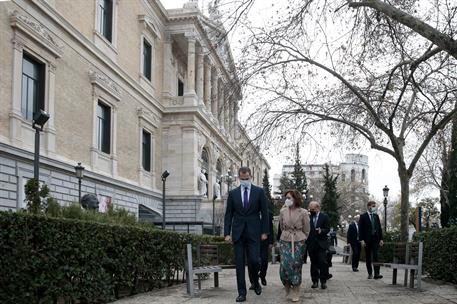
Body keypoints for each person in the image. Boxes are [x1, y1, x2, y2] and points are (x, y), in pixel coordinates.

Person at [224, 167, 269, 303]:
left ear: (251, 177)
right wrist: (227, 233)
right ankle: (241, 293)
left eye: (247, 178)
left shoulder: (259, 192)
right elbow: (228, 215)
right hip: (238, 233)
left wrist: (265, 231)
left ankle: (255, 282)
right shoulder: (233, 194)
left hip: (254, 233)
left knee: (254, 261)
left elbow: (265, 213)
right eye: (242, 179)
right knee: (239, 264)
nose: (244, 181)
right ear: (239, 178)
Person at [278, 190, 310, 302]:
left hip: (298, 241)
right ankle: (287, 285)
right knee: (285, 265)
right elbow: (281, 226)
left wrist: (302, 238)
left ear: (296, 199)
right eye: (286, 197)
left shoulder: (303, 212)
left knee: (296, 265)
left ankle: (296, 289)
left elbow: (307, 229)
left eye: (290, 197)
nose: (287, 199)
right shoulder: (282, 211)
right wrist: (286, 234)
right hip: (285, 240)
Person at [306, 201, 330, 289]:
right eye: (310, 209)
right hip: (311, 244)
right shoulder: (308, 217)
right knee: (314, 263)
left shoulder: (324, 217)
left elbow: (327, 229)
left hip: (321, 243)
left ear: (318, 208)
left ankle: (323, 281)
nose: (311, 211)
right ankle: (315, 281)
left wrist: (321, 231)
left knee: (323, 262)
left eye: (313, 209)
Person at [248, 209, 274, 289]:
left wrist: (271, 242)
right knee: (252, 262)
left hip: (264, 242)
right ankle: (253, 282)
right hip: (252, 241)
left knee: (264, 261)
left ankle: (262, 276)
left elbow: (270, 228)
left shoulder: (268, 213)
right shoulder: (250, 211)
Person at [359, 201, 384, 279]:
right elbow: (360, 229)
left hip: (375, 239)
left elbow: (379, 228)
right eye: (372, 206)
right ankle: (370, 273)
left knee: (376, 256)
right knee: (368, 257)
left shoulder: (376, 216)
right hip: (367, 240)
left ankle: (377, 273)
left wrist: (381, 239)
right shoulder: (363, 216)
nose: (373, 208)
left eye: (374, 206)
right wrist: (362, 240)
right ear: (368, 206)